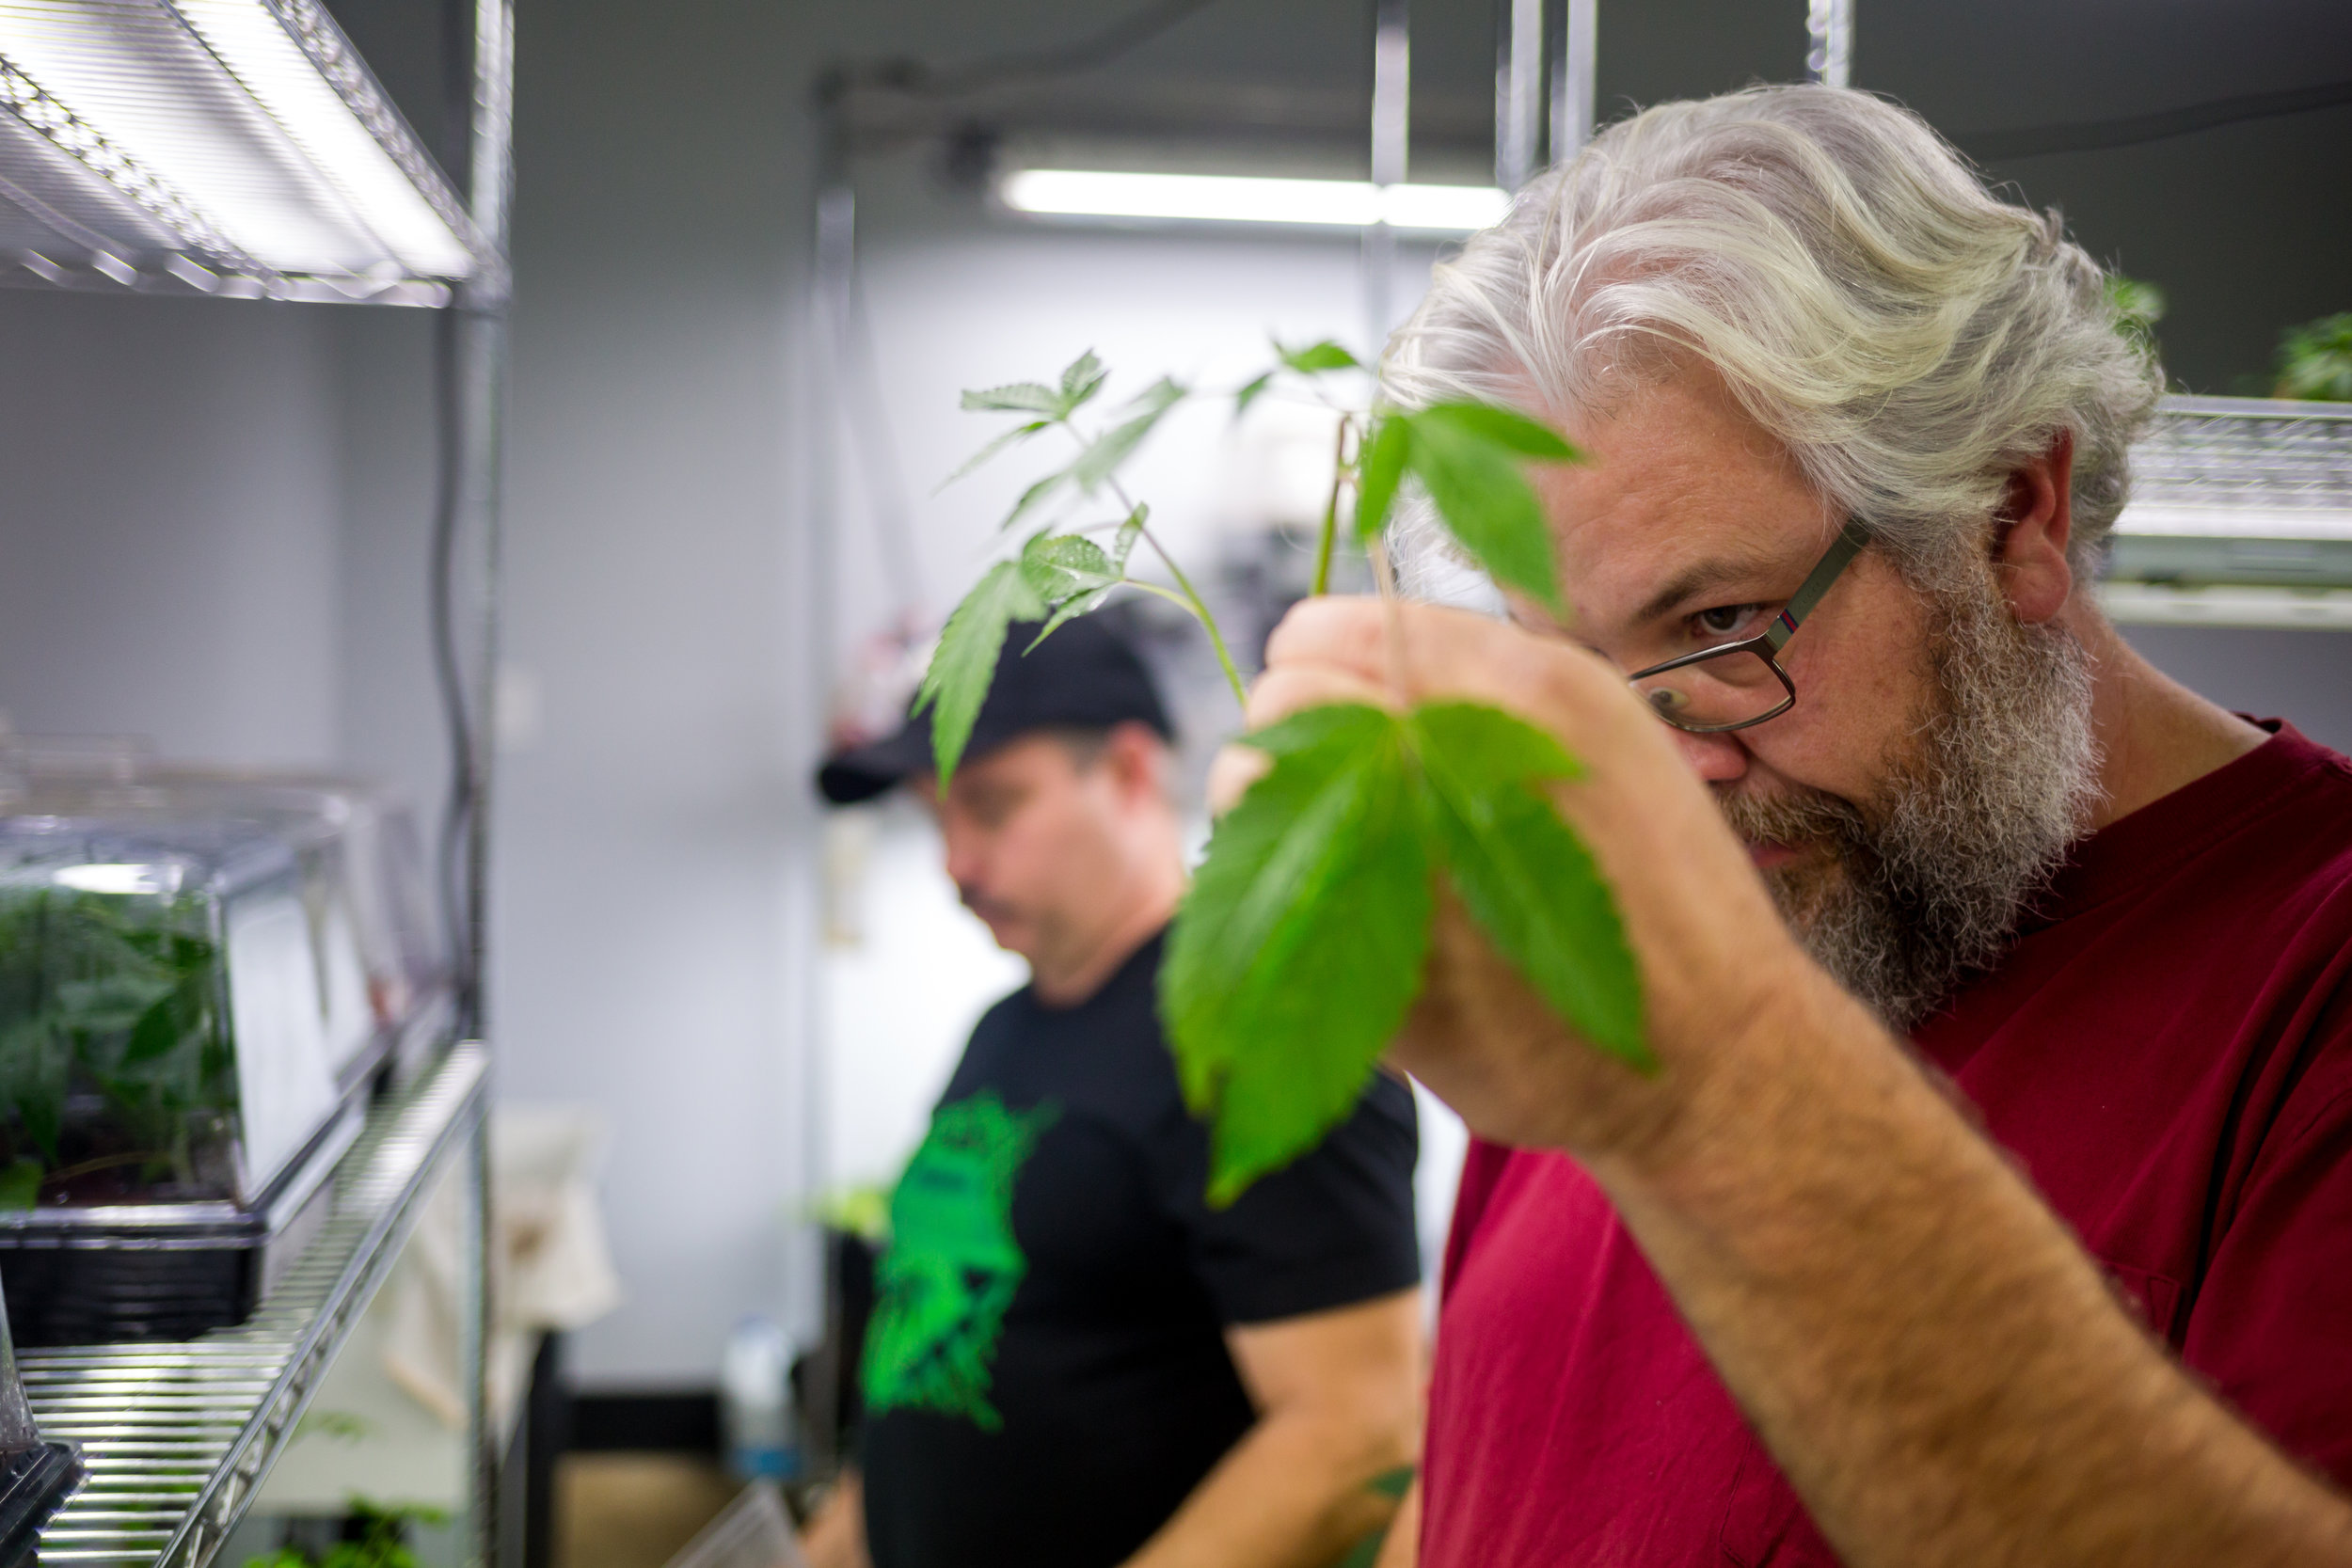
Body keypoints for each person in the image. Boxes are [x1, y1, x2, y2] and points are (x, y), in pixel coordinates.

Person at [1225, 85, 2352, 1568]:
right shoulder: (1631, 907)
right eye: (1566, 664)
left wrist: (1708, 1089)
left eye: (1721, 621)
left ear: (2014, 509)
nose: (1654, 766)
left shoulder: (2307, 988)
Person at [805, 614, 1424, 1568]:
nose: (954, 863)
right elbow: (925, 1348)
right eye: (936, 818)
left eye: (993, 804)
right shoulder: (1002, 1031)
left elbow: (1358, 1431)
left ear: (1132, 772)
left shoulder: (1253, 1033)